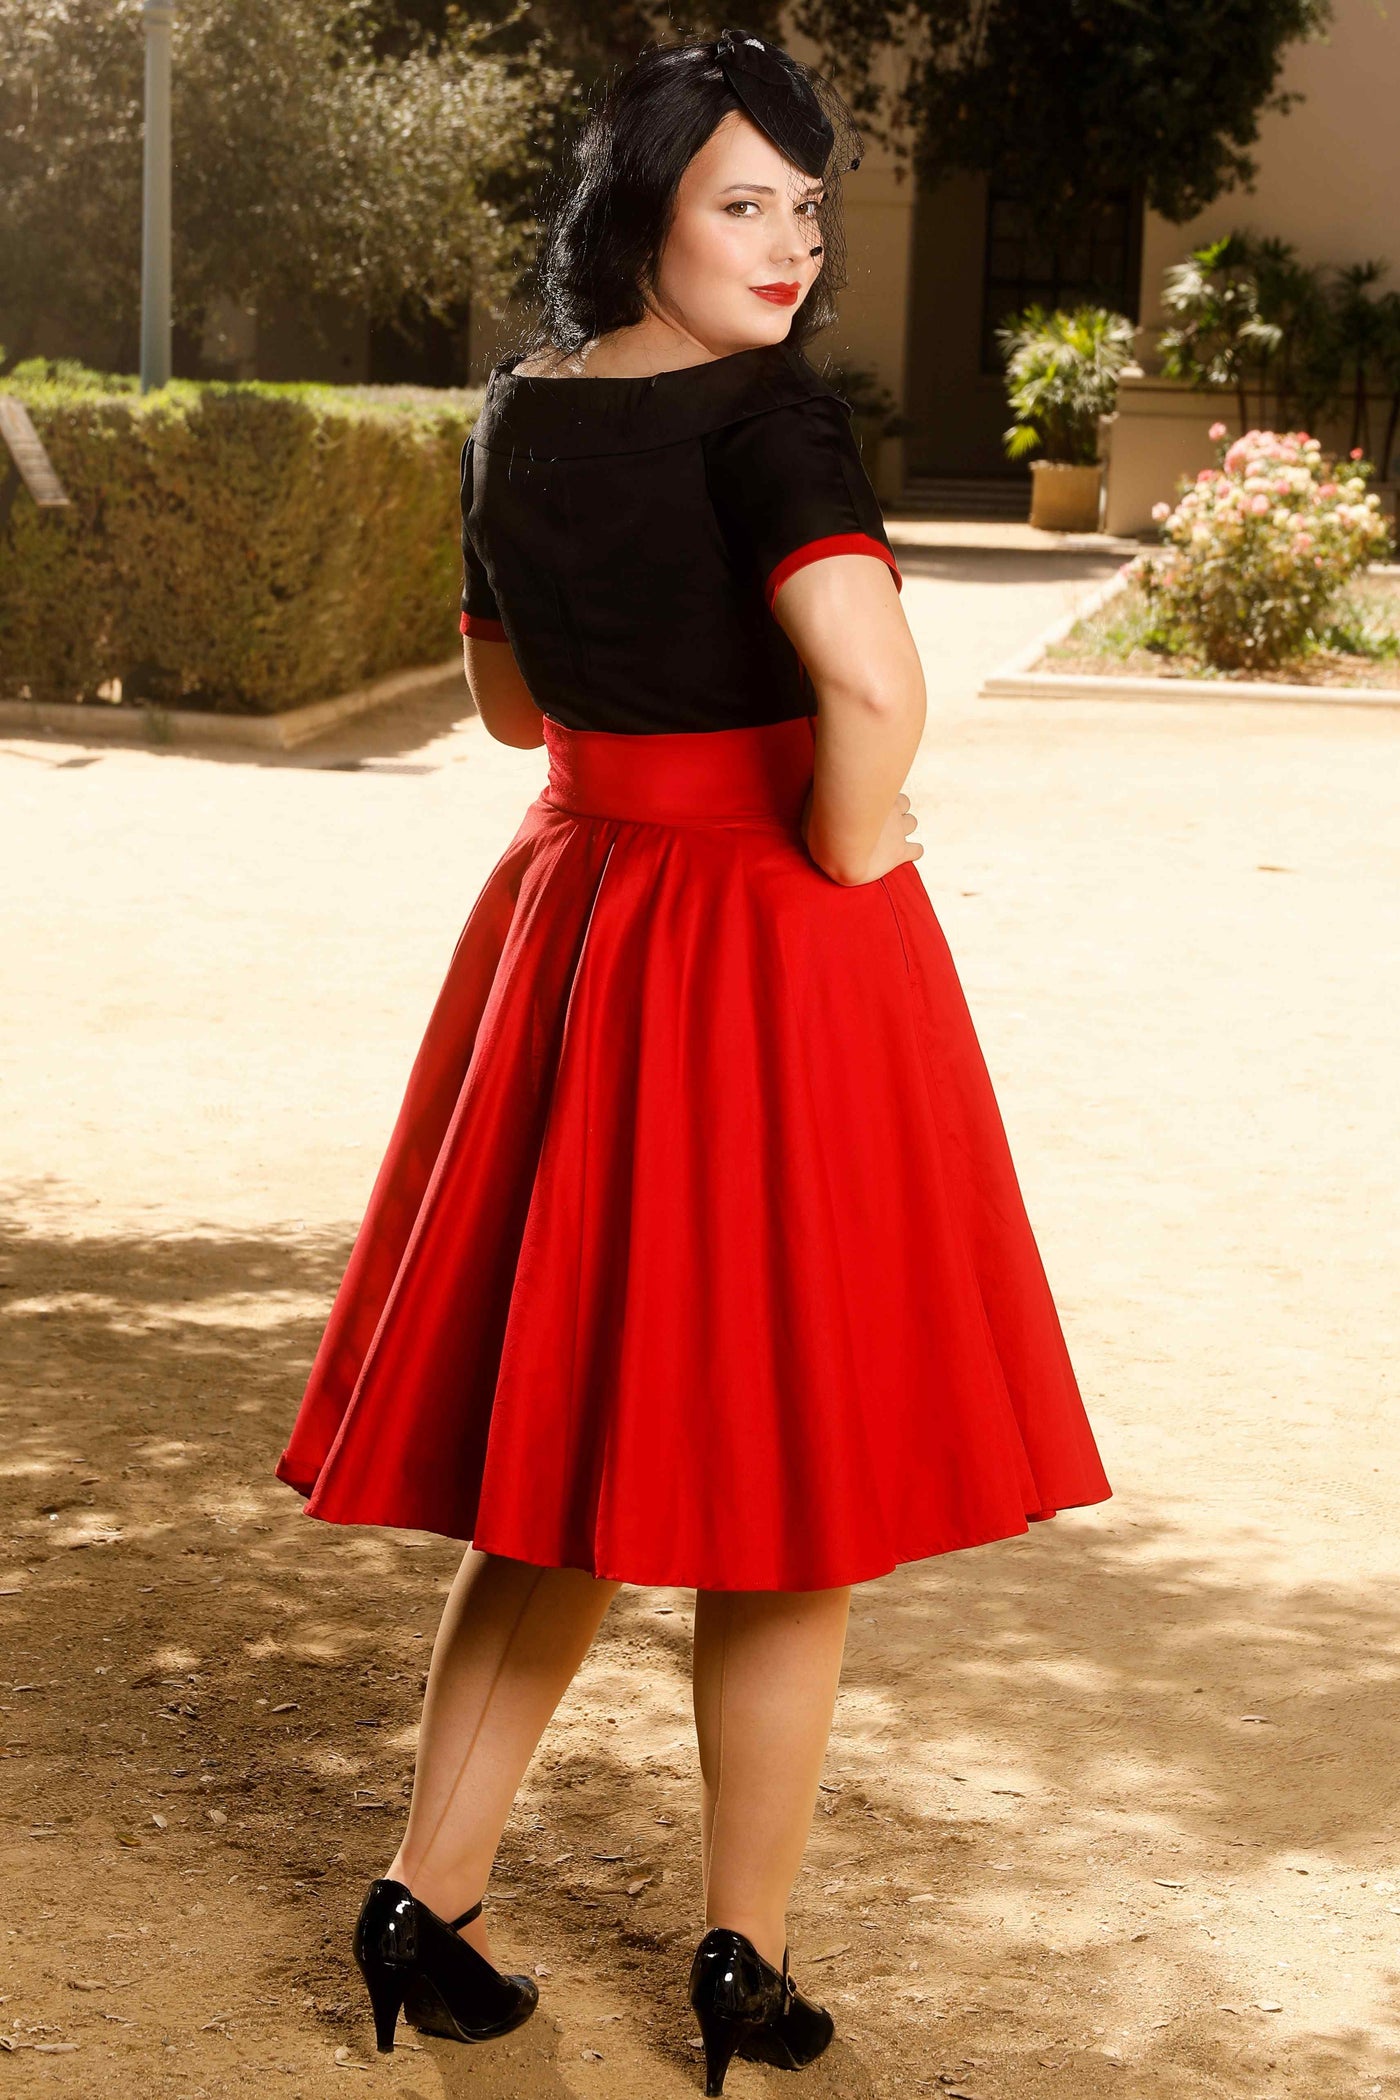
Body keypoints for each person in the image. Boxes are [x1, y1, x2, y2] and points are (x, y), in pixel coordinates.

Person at [273, 28, 1113, 2097]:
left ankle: (424, 1896)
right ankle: (740, 1962)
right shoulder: (772, 421)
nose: (791, 244)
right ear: (643, 213)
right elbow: (865, 675)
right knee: (790, 1487)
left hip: (576, 914)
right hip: (760, 942)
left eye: (808, 206)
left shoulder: (516, 415)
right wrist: (850, 831)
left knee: (562, 1450)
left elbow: (497, 702)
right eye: (745, 200)